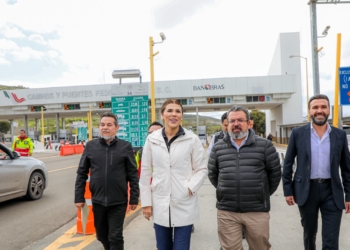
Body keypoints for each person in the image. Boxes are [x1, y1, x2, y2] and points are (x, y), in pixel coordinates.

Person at [282, 94, 350, 250]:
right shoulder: (298, 133)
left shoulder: (339, 135)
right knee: (309, 233)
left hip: (332, 191)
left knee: (331, 239)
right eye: (315, 107)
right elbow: (288, 164)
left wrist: (349, 194)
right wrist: (288, 190)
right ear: (309, 111)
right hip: (307, 190)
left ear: (328, 110)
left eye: (323, 107)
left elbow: (347, 168)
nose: (320, 110)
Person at [208, 105, 281, 250]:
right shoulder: (218, 148)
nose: (236, 124)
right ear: (227, 124)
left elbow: (275, 174)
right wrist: (226, 189)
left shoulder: (265, 146)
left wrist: (261, 193)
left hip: (257, 210)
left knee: (260, 247)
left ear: (249, 123)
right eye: (232, 120)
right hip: (227, 210)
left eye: (240, 120)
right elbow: (213, 174)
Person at [140, 99, 208, 250]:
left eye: (178, 111)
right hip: (160, 202)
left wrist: (190, 187)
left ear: (182, 116)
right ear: (162, 114)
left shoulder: (192, 139)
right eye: (169, 110)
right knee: (163, 247)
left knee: (181, 247)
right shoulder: (152, 139)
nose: (174, 114)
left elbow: (202, 169)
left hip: (184, 201)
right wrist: (146, 203)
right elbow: (145, 172)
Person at [74, 112, 139, 250]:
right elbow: (81, 173)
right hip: (98, 201)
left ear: (116, 128)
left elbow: (133, 174)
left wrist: (134, 198)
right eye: (102, 124)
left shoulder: (125, 147)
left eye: (109, 125)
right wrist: (78, 197)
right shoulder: (91, 146)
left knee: (115, 236)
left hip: (118, 201)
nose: (105, 127)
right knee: (101, 235)